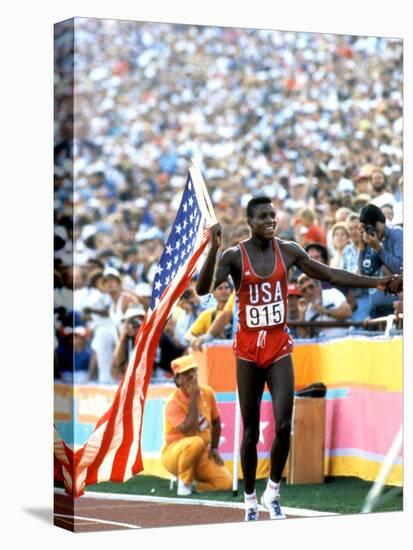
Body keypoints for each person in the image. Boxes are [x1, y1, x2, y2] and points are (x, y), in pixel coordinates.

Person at [195, 196, 397, 521]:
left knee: (284, 423)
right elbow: (203, 290)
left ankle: (272, 492)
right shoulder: (235, 256)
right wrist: (213, 247)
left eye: (273, 216)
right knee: (248, 431)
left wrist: (380, 283)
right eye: (263, 217)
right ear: (250, 222)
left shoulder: (288, 251)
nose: (271, 221)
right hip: (247, 350)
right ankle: (249, 499)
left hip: (278, 346)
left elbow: (331, 274)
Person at [160, 354, 232, 496]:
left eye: (193, 371)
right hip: (174, 454)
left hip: (201, 454)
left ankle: (196, 484)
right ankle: (184, 483)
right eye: (186, 373)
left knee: (225, 483)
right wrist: (193, 399)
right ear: (177, 380)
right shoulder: (172, 403)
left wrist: (215, 448)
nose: (191, 376)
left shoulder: (207, 393)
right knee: (195, 442)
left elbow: (216, 422)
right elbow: (189, 430)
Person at [358, 203, 403, 318]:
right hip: (375, 308)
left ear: (381, 220)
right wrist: (362, 248)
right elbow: (365, 273)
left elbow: (399, 267)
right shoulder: (370, 238)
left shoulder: (396, 233)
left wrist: (378, 248)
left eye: (374, 225)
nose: (373, 230)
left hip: (395, 306)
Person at [296, 275, 352, 339]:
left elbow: (347, 312)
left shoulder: (332, 293)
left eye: (311, 287)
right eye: (304, 290)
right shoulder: (307, 309)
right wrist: (301, 315)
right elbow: (303, 336)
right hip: (322, 346)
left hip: (344, 340)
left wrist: (321, 310)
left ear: (319, 286)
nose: (308, 291)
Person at [184, 281, 233, 350]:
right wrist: (196, 341)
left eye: (226, 288)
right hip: (212, 354)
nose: (224, 291)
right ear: (213, 293)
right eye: (220, 288)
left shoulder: (237, 313)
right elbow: (188, 335)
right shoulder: (207, 314)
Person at [112, 304, 146, 380]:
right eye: (130, 321)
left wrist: (141, 333)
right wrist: (122, 337)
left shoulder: (150, 335)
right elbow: (117, 362)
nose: (133, 325)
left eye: (137, 321)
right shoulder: (127, 339)